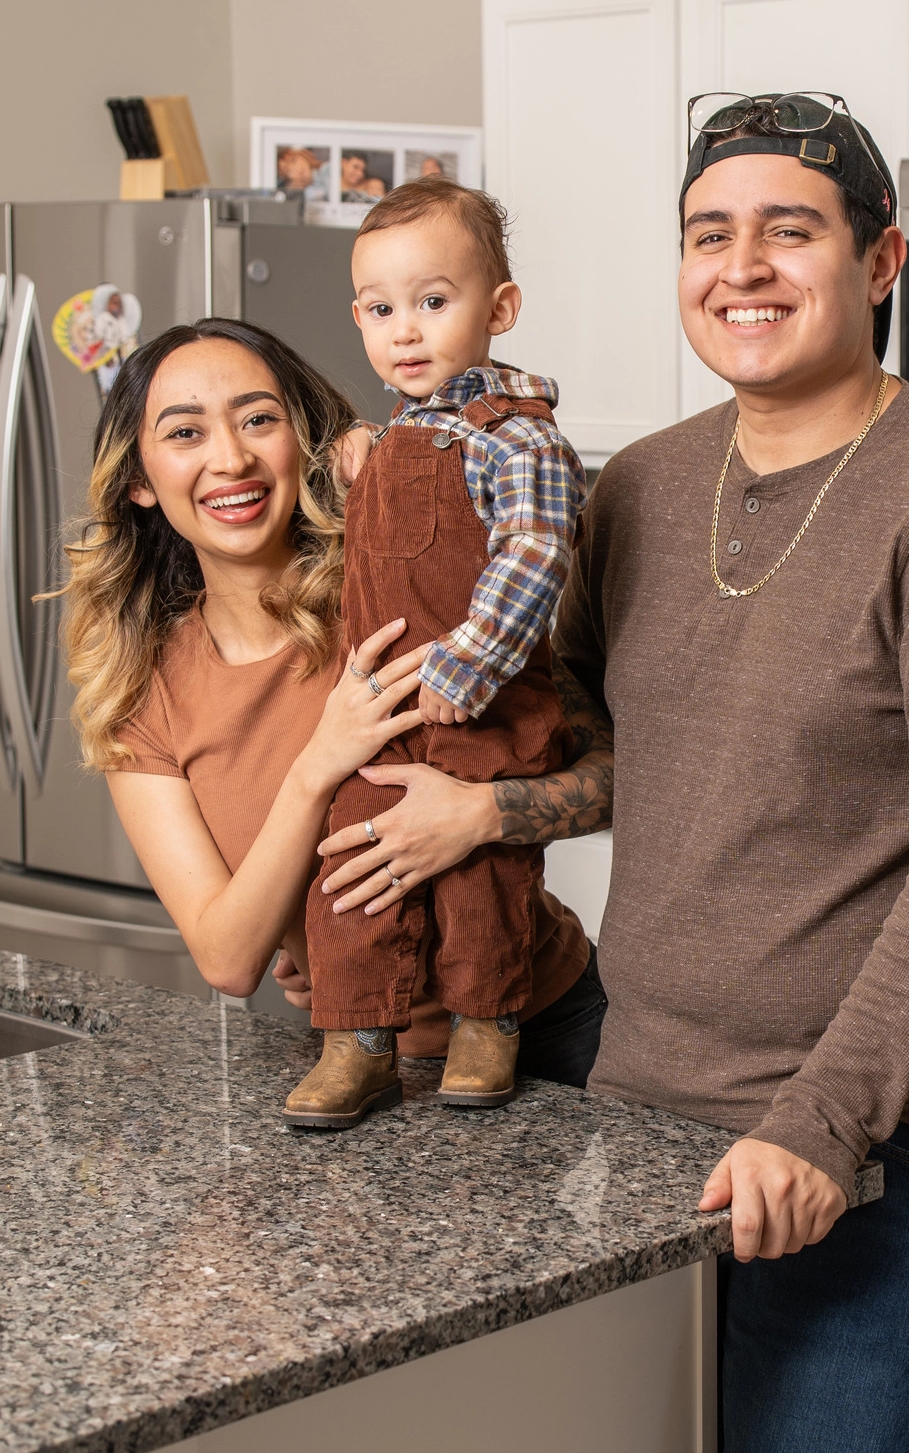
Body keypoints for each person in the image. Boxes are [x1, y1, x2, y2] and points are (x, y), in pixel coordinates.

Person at [332, 93, 909, 1451]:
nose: (739, 268)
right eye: (706, 234)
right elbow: (590, 748)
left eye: (786, 231)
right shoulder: (640, 489)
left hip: (856, 1142)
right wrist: (471, 806)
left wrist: (822, 1123)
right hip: (631, 1099)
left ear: (879, 262)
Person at [56, 317, 610, 1104]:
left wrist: (480, 815)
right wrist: (320, 763)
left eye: (258, 419)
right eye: (185, 432)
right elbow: (228, 956)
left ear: (303, 440)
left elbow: (611, 777)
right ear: (139, 480)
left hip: (551, 1026)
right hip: (358, 1065)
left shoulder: (404, 586)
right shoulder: (139, 690)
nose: (231, 458)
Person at [291, 177, 587, 1126]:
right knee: (350, 872)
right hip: (380, 716)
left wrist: (467, 667)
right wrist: (354, 459)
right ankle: (358, 1043)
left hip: (478, 709)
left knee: (480, 881)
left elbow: (535, 553)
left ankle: (485, 1024)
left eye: (433, 301)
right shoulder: (391, 438)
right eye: (381, 310)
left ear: (497, 309)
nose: (405, 330)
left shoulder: (519, 440)